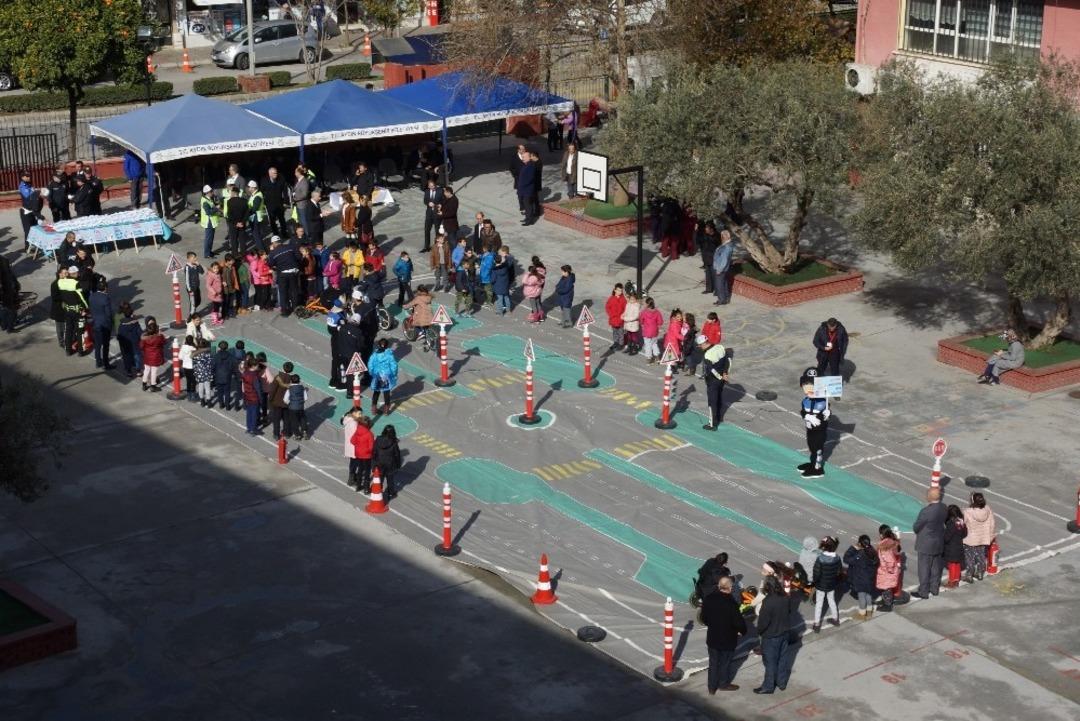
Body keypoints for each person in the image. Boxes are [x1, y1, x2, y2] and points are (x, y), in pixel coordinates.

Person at [701, 576, 746, 694]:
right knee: (725, 663)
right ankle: (723, 684)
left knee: (713, 662)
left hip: (713, 637)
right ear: (730, 588)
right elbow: (738, 622)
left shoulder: (709, 598)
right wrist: (743, 630)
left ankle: (711, 687)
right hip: (728, 638)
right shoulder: (731, 603)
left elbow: (704, 618)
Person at [754, 575, 797, 694]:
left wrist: (759, 632)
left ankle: (768, 686)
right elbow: (789, 611)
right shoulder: (785, 597)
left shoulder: (767, 602)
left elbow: (763, 623)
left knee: (770, 662)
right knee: (782, 659)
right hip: (784, 633)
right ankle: (781, 682)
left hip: (771, 636)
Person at [912, 487, 948, 600]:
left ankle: (923, 591)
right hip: (938, 541)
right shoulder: (944, 507)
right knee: (936, 567)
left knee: (924, 567)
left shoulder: (926, 511)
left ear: (930, 497)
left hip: (926, 542)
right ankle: (934, 588)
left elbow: (917, 527)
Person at [798, 369, 830, 478]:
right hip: (809, 429)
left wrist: (826, 414)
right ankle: (812, 463)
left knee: (818, 448)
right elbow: (803, 412)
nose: (809, 389)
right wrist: (807, 416)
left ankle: (818, 469)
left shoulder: (822, 403)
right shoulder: (805, 401)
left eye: (813, 386)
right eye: (806, 385)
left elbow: (824, 418)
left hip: (819, 431)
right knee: (811, 447)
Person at [962, 492, 995, 582]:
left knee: (969, 557)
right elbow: (992, 524)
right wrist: (990, 536)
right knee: (981, 556)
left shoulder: (967, 511)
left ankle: (969, 574)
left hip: (970, 539)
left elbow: (962, 524)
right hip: (983, 538)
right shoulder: (987, 509)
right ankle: (980, 573)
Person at [843, 535, 879, 620]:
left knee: (862, 596)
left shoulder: (860, 555)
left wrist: (853, 548)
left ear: (860, 543)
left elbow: (846, 559)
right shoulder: (873, 552)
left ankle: (862, 614)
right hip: (870, 579)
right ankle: (869, 612)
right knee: (868, 595)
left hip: (861, 580)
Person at [700, 335, 730, 430]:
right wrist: (725, 373)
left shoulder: (707, 355)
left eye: (700, 345)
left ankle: (712, 424)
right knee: (719, 399)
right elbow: (727, 361)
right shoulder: (720, 347)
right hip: (721, 379)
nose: (700, 347)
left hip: (713, 380)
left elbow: (711, 370)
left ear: (704, 343)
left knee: (712, 402)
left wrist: (719, 377)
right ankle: (719, 417)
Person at [57, 265, 88, 355]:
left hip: (67, 310)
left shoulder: (60, 282)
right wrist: (85, 308)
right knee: (80, 331)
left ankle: (68, 350)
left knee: (68, 330)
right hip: (78, 311)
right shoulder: (75, 283)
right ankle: (81, 351)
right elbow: (81, 298)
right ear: (73, 274)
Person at [268, 236, 303, 316]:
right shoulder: (290, 246)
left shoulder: (273, 252)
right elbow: (299, 257)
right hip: (293, 272)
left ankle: (285, 311)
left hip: (283, 274)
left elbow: (270, 264)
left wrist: (271, 252)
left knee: (283, 292)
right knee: (294, 291)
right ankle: (295, 309)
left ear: (273, 243)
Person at [88, 278, 114, 370]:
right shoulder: (106, 298)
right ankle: (106, 364)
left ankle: (98, 362)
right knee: (106, 345)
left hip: (95, 323)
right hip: (104, 325)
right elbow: (108, 314)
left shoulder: (92, 296)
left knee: (98, 345)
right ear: (105, 288)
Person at [368, 338, 398, 415]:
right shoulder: (389, 355)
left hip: (377, 376)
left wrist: (372, 373)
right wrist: (393, 374)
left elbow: (370, 365)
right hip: (386, 376)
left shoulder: (374, 355)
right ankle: (386, 410)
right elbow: (394, 365)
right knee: (386, 392)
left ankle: (374, 409)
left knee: (376, 392)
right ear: (387, 346)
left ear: (378, 345)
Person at [875, 527, 902, 612]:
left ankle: (887, 605)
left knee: (886, 588)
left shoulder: (884, 546)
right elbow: (897, 552)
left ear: (882, 534)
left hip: (886, 571)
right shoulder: (892, 542)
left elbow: (889, 560)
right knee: (886, 588)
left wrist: (889, 570)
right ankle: (885, 601)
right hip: (889, 570)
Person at [374, 425, 403, 499]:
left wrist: (374, 463)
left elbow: (374, 452)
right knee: (390, 479)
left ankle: (378, 490)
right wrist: (398, 465)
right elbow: (397, 454)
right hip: (390, 463)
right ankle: (391, 492)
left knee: (380, 478)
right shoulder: (393, 442)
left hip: (379, 462)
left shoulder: (378, 439)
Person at [115, 302, 143, 377]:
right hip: (134, 341)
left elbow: (119, 332)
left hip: (125, 342)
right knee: (136, 354)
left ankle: (129, 371)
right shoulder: (135, 322)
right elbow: (140, 332)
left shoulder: (120, 321)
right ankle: (138, 369)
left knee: (126, 356)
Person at [260, 166, 289, 237]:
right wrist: (262, 203)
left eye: (276, 173)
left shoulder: (281, 179)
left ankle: (284, 233)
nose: (276, 175)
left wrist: (286, 202)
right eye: (274, 173)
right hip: (269, 203)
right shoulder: (264, 180)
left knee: (282, 219)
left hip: (279, 203)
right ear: (269, 174)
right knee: (272, 220)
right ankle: (275, 233)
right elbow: (262, 192)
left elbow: (285, 191)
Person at [403, 286, 434, 352]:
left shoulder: (418, 298)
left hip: (422, 318)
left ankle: (420, 333)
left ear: (419, 291)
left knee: (416, 323)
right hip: (430, 317)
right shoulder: (429, 297)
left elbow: (410, 304)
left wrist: (404, 306)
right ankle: (426, 336)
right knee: (426, 327)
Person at [943, 505, 967, 588]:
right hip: (959, 545)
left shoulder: (951, 524)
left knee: (952, 564)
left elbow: (947, 537)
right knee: (957, 563)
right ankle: (957, 579)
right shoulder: (961, 522)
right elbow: (965, 534)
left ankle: (952, 581)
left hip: (951, 548)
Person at [139, 317, 166, 391]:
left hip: (147, 357)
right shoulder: (158, 337)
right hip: (156, 357)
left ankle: (144, 384)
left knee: (146, 370)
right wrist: (161, 335)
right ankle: (153, 385)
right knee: (154, 371)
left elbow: (141, 346)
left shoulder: (144, 338)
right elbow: (164, 342)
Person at [351, 416, 375, 493]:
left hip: (358, 454)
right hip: (366, 455)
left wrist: (358, 446)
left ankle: (358, 485)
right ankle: (366, 488)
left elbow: (352, 441)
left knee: (360, 469)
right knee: (367, 471)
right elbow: (371, 447)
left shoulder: (357, 430)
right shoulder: (369, 434)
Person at [210, 340, 237, 409]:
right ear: (227, 347)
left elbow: (213, 366)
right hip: (227, 376)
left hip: (218, 376)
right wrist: (233, 373)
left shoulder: (216, 356)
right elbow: (234, 366)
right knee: (227, 391)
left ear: (219, 347)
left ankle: (221, 404)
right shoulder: (230, 356)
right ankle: (227, 405)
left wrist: (212, 374)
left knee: (220, 391)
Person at [240, 360, 264, 435]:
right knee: (254, 414)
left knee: (249, 413)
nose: (258, 367)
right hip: (254, 397)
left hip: (247, 395)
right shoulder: (255, 376)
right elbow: (258, 389)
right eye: (257, 365)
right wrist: (261, 399)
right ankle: (253, 429)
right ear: (253, 366)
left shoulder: (245, 373)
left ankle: (249, 427)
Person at [696, 221, 719, 294]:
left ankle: (717, 290)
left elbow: (716, 243)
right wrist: (696, 232)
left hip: (713, 259)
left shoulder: (716, 235)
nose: (705, 229)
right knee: (708, 275)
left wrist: (711, 235)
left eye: (707, 228)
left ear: (711, 229)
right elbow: (698, 241)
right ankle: (709, 289)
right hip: (706, 258)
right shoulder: (704, 235)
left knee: (714, 275)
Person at [422, 178, 444, 252]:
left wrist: (441, 204)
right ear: (428, 186)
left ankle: (437, 246)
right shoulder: (427, 191)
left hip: (436, 213)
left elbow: (443, 200)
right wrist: (428, 203)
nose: (433, 187)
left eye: (434, 186)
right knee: (426, 230)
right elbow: (425, 200)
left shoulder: (440, 190)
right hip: (429, 213)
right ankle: (426, 246)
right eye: (431, 186)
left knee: (437, 230)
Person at [712, 230, 734, 305]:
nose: (721, 237)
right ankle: (726, 298)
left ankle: (721, 300)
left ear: (724, 237)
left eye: (722, 236)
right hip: (723, 268)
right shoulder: (727, 245)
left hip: (720, 268)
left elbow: (724, 259)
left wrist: (719, 269)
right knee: (724, 283)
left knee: (719, 284)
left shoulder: (727, 246)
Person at [492, 246, 515, 315]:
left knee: (500, 299)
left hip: (501, 284)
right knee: (506, 296)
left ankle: (500, 311)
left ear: (504, 252)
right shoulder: (506, 263)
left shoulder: (508, 260)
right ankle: (508, 310)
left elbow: (493, 278)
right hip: (505, 281)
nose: (499, 254)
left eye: (500, 252)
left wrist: (498, 264)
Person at [342, 408, 362, 489]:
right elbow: (356, 435)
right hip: (354, 446)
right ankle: (352, 479)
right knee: (355, 463)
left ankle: (352, 477)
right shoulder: (354, 423)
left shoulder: (348, 419)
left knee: (353, 462)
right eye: (359, 413)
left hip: (350, 445)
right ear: (354, 413)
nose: (361, 415)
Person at [199, 185, 221, 258]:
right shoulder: (205, 201)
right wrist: (216, 208)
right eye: (211, 191)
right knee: (208, 239)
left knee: (211, 238)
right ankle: (207, 254)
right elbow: (208, 212)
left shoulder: (208, 198)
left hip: (211, 222)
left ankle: (209, 252)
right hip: (209, 222)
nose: (212, 192)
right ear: (207, 193)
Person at [286, 373, 309, 440]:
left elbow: (285, 399)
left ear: (291, 381)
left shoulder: (289, 389)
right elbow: (305, 398)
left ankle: (297, 435)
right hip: (300, 407)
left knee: (294, 422)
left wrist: (289, 403)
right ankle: (304, 430)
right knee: (302, 419)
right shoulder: (302, 388)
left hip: (292, 408)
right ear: (299, 380)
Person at [639, 297, 663, 363]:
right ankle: (657, 356)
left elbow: (641, 320)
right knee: (654, 344)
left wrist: (642, 323)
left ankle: (649, 358)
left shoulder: (644, 312)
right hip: (654, 331)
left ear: (647, 304)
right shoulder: (657, 312)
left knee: (648, 345)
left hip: (646, 332)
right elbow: (660, 322)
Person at [604, 284, 627, 352]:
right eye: (618, 290)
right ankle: (615, 342)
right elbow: (607, 307)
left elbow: (625, 309)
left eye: (621, 291)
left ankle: (621, 344)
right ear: (615, 290)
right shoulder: (611, 298)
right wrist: (611, 314)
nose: (620, 292)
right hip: (613, 319)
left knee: (621, 333)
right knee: (614, 332)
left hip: (620, 319)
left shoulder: (623, 299)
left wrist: (623, 315)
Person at [518, 153, 539, 225]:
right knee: (526, 205)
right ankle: (527, 218)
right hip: (524, 189)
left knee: (528, 206)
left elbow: (530, 178)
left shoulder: (531, 165)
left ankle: (530, 221)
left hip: (527, 190)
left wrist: (522, 185)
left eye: (524, 157)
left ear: (528, 157)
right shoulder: (526, 164)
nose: (522, 158)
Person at [291, 165, 312, 236]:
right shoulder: (298, 180)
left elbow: (304, 194)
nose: (294, 174)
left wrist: (295, 198)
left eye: (295, 172)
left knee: (304, 221)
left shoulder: (304, 181)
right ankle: (302, 233)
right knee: (300, 221)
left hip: (302, 205)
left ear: (299, 173)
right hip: (298, 204)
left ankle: (307, 234)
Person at [246, 180, 267, 253]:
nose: (248, 189)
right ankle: (262, 250)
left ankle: (262, 251)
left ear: (253, 188)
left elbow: (254, 208)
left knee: (256, 236)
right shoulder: (255, 195)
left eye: (249, 187)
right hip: (255, 217)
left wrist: (246, 212)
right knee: (257, 235)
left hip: (255, 217)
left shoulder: (257, 196)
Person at [193, 340, 214, 406]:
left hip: (199, 373)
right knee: (207, 387)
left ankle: (202, 401)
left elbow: (193, 360)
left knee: (200, 386)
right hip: (207, 373)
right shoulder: (209, 355)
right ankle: (209, 401)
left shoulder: (196, 355)